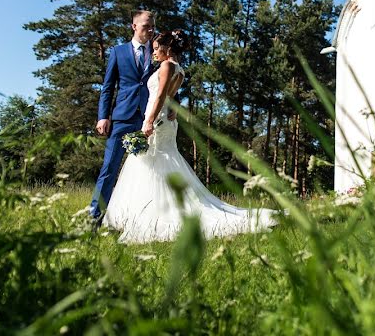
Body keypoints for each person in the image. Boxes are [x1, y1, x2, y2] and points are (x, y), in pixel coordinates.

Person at [104, 29, 278, 242]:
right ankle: (149, 210)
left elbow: (160, 95)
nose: (155, 53)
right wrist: (171, 108)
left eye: (158, 49)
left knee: (151, 163)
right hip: (165, 118)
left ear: (168, 48)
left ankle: (156, 214)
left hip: (157, 119)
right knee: (159, 163)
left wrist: (149, 120)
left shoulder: (167, 65)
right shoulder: (179, 68)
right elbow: (170, 96)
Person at [91, 10, 157, 222]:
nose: (150, 29)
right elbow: (108, 87)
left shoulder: (158, 53)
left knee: (148, 172)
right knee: (109, 169)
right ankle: (95, 218)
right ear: (134, 26)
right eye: (146, 26)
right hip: (122, 117)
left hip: (148, 119)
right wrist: (103, 116)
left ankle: (141, 221)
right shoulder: (118, 52)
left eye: (152, 26)